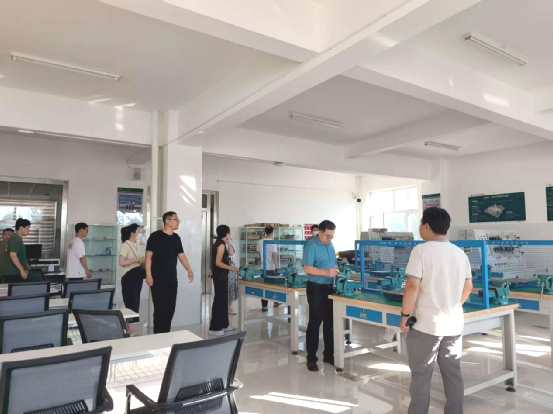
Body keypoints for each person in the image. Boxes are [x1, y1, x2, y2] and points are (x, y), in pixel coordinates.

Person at [400, 207, 473, 414]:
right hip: (453, 324)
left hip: (426, 325)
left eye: (420, 223)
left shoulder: (421, 251)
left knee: (421, 375)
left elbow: (412, 286)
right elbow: (468, 286)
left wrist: (405, 315)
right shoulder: (460, 253)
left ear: (426, 226)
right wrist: (454, 304)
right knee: (453, 373)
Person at [146, 211, 194, 334]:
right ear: (167, 221)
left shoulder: (176, 238)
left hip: (172, 279)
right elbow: (148, 256)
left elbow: (181, 256)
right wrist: (148, 275)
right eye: (176, 220)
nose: (178, 222)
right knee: (160, 309)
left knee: (170, 309)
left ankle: (165, 335)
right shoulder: (155, 236)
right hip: (157, 279)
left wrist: (189, 269)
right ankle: (158, 336)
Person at [302, 220, 339, 372]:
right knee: (315, 323)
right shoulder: (311, 245)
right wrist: (325, 272)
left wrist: (335, 269)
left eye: (332, 236)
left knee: (330, 323)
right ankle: (311, 358)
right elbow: (307, 268)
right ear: (320, 232)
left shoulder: (330, 245)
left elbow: (331, 264)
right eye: (328, 236)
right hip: (316, 288)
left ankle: (328, 355)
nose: (330, 239)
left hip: (330, 287)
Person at [209, 225, 238, 336]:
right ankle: (214, 328)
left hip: (223, 275)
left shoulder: (222, 243)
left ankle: (224, 325)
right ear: (227, 233)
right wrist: (233, 268)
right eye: (229, 233)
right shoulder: (220, 245)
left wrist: (229, 242)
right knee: (219, 301)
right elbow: (218, 263)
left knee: (223, 300)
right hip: (219, 275)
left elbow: (231, 253)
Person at [119, 224, 145, 316]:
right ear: (132, 232)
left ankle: (133, 324)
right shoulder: (126, 245)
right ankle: (130, 324)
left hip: (138, 276)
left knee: (136, 302)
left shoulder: (137, 244)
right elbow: (121, 262)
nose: (140, 231)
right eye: (138, 230)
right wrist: (137, 260)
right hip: (129, 277)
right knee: (131, 303)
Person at [257, 226, 280, 311]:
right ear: (272, 232)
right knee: (274, 286)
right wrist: (276, 264)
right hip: (271, 267)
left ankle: (264, 306)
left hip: (263, 267)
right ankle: (276, 302)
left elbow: (259, 253)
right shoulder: (273, 242)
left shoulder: (260, 241)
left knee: (264, 286)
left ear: (265, 232)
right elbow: (274, 254)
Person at [3, 219, 32, 283]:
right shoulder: (15, 238)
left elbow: (19, 256)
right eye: (28, 228)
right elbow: (13, 256)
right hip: (14, 273)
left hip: (16, 272)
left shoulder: (17, 238)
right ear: (21, 228)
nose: (29, 230)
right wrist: (22, 270)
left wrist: (26, 266)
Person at [227, 242, 239, 315]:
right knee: (228, 287)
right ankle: (229, 306)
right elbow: (230, 253)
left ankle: (230, 305)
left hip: (233, 269)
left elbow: (232, 257)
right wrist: (228, 242)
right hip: (227, 270)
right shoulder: (223, 245)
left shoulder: (230, 244)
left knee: (232, 286)